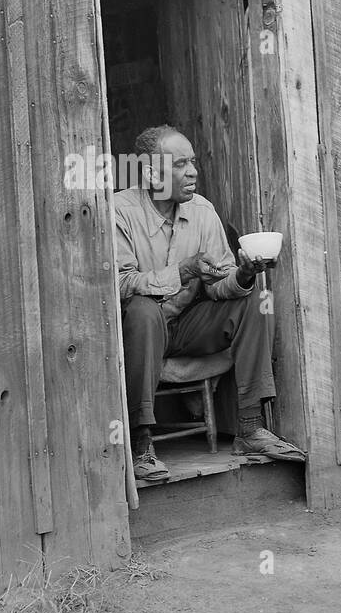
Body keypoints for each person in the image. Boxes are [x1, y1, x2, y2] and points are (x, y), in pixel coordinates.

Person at [113, 124, 306, 482]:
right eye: (181, 164)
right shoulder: (120, 211)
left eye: (194, 162)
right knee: (141, 309)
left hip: (187, 326)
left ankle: (250, 427)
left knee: (258, 300)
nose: (193, 172)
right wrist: (181, 272)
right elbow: (121, 285)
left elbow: (220, 286)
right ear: (151, 173)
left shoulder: (202, 211)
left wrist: (244, 276)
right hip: (139, 331)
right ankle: (141, 443)